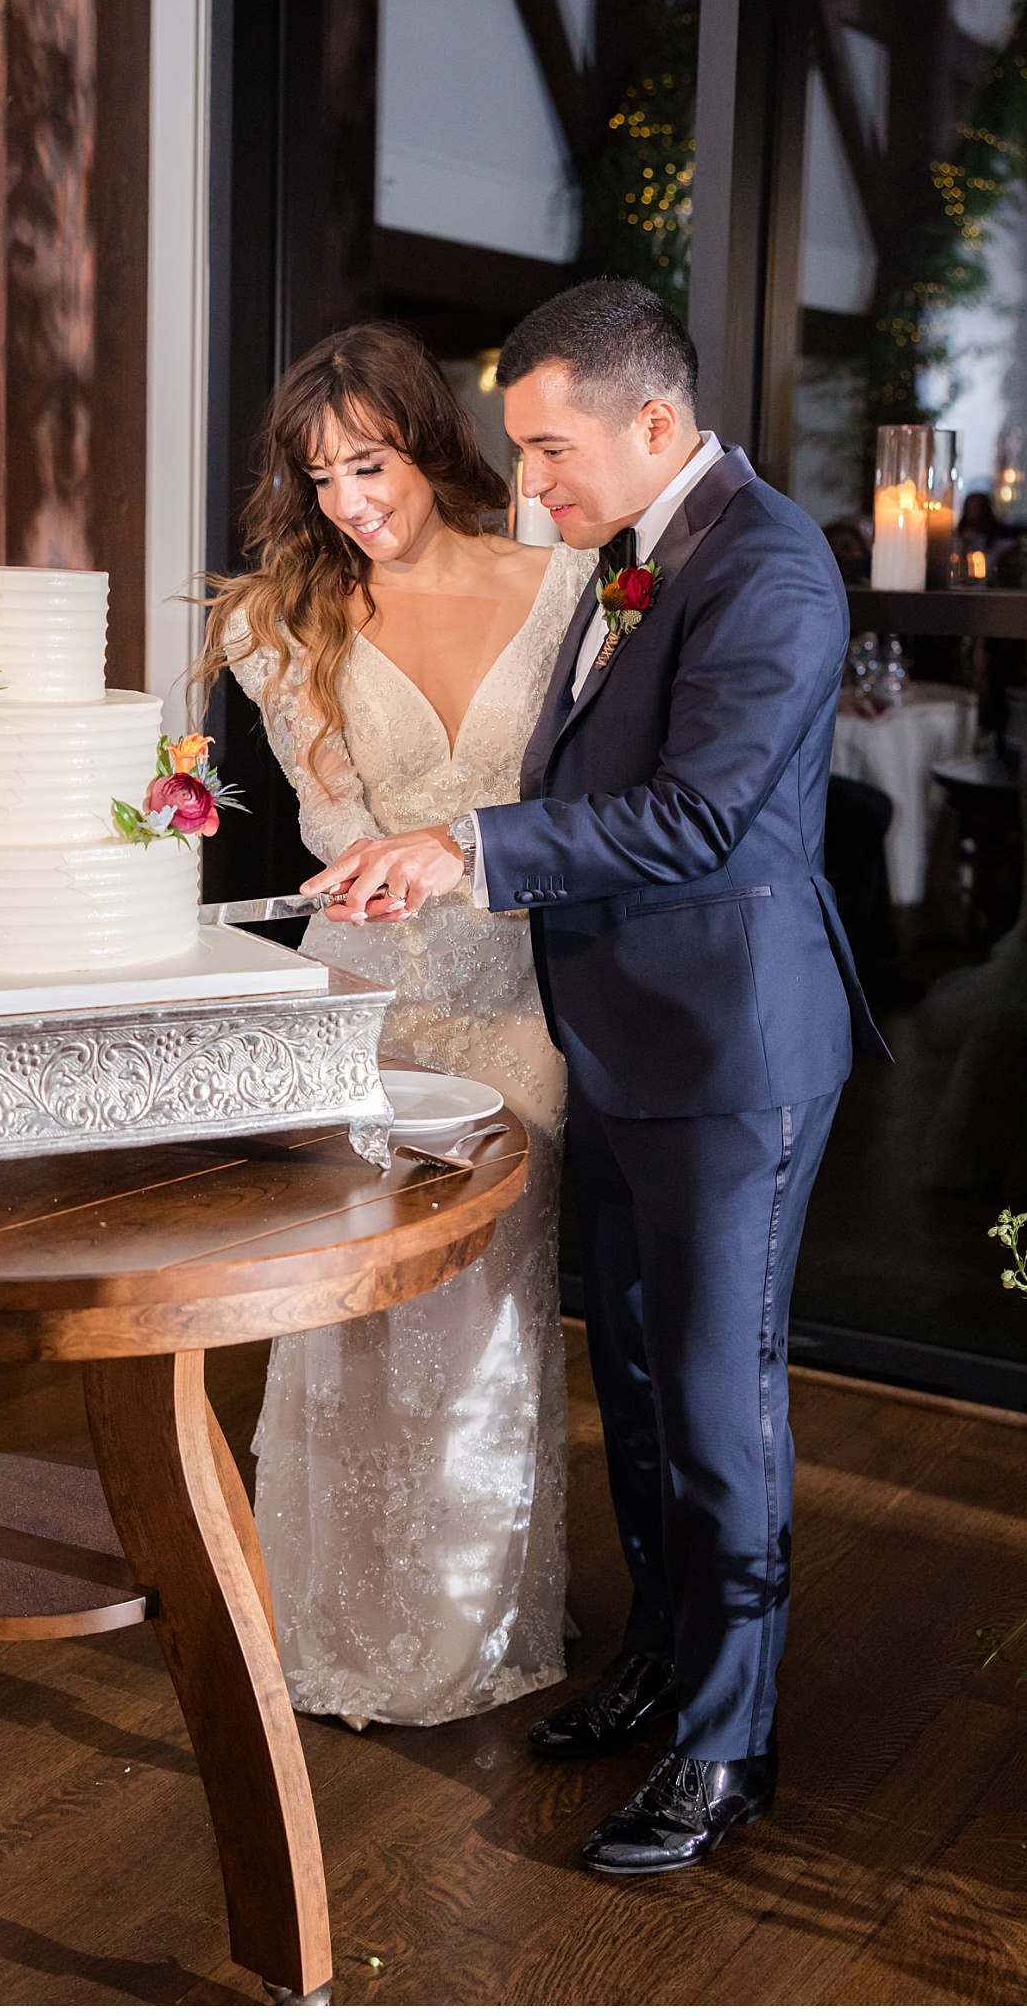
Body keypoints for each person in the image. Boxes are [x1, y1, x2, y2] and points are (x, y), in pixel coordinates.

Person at [307, 279, 889, 1871]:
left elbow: (698, 817)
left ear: (653, 421)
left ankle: (730, 1747)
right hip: (617, 1038)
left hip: (728, 1054)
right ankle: (657, 1660)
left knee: (718, 1405)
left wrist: (464, 847)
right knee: (630, 1381)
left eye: (552, 452)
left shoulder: (767, 565)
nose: (536, 487)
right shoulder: (628, 555)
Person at [197, 321, 593, 1728]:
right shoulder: (276, 622)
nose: (353, 503)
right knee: (339, 1322)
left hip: (507, 1004)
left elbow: (587, 810)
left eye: (371, 465)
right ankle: (323, 1620)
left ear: (427, 443)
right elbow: (331, 830)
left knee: (480, 1322)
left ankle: (462, 1630)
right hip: (361, 1004)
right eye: (322, 479)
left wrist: (461, 847)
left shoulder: (569, 590)